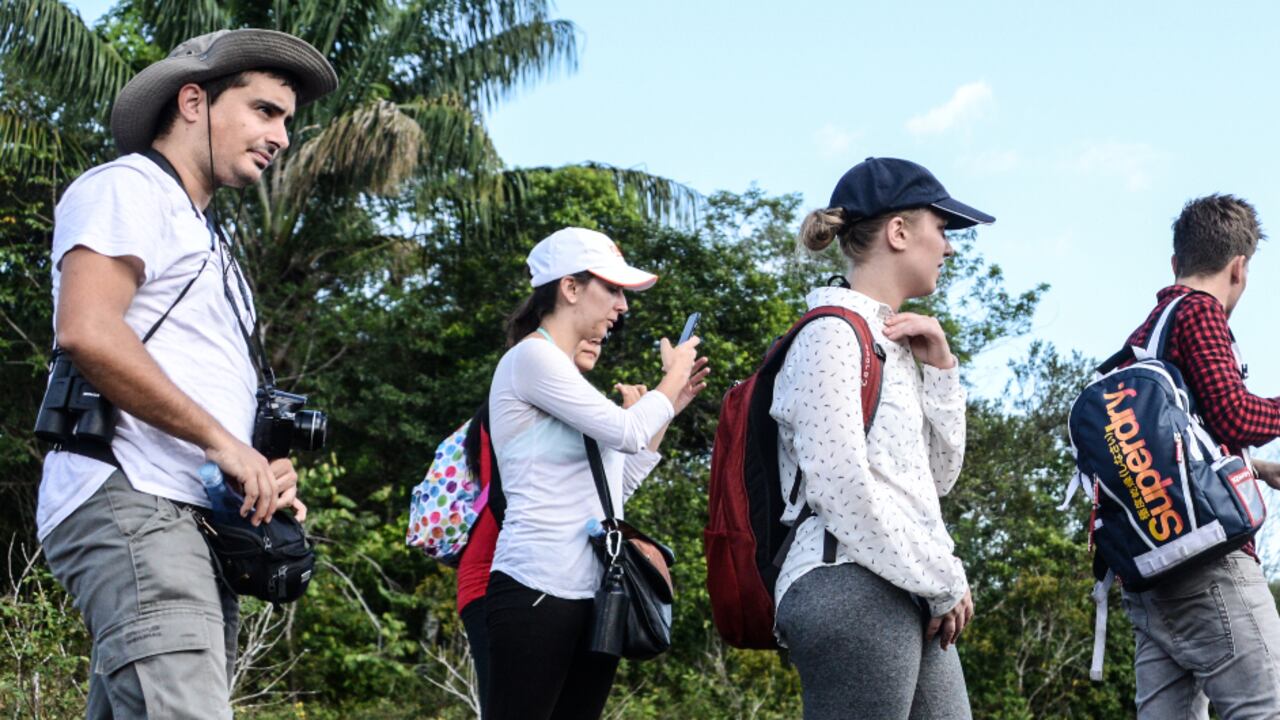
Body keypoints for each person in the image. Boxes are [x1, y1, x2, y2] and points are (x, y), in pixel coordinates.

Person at [36, 29, 336, 718]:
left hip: (192, 518)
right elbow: (87, 328)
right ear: (194, 101)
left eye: (288, 120)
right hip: (135, 498)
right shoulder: (127, 187)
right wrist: (219, 441)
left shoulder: (215, 249)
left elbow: (203, 386)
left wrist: (259, 468)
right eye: (265, 110)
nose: (282, 135)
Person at [774, 157, 991, 720]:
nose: (949, 247)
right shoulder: (830, 335)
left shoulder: (886, 341)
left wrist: (942, 369)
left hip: (905, 586)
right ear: (899, 231)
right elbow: (841, 486)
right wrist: (944, 579)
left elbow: (935, 479)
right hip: (850, 582)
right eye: (941, 228)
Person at [483, 227, 709, 720]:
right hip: (537, 588)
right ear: (569, 288)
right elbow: (627, 430)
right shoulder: (531, 358)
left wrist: (671, 405)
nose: (622, 307)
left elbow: (615, 488)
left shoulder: (568, 379)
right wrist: (669, 382)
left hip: (595, 596)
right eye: (612, 289)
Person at [1116, 194, 1280, 719]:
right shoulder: (1200, 313)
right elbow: (1235, 417)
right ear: (1240, 269)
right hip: (1208, 562)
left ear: (1175, 262)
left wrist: (1252, 467)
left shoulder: (1146, 334)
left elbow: (1178, 438)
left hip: (1149, 572)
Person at [457, 337, 673, 718]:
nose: (599, 340)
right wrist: (653, 401)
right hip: (509, 578)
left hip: (571, 582)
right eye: (586, 335)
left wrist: (664, 408)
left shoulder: (577, 411)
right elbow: (507, 497)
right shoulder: (521, 400)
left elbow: (613, 490)